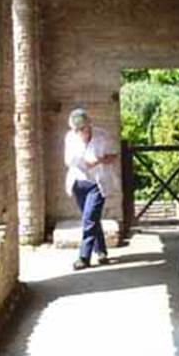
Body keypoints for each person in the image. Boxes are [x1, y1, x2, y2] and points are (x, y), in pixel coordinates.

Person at [64, 107, 118, 270]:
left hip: (97, 183)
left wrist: (100, 159)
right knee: (92, 219)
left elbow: (114, 154)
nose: (80, 132)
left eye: (83, 128)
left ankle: (84, 257)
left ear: (89, 125)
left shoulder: (102, 135)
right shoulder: (70, 138)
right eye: (77, 130)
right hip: (79, 183)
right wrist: (83, 161)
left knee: (89, 218)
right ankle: (101, 251)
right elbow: (68, 160)